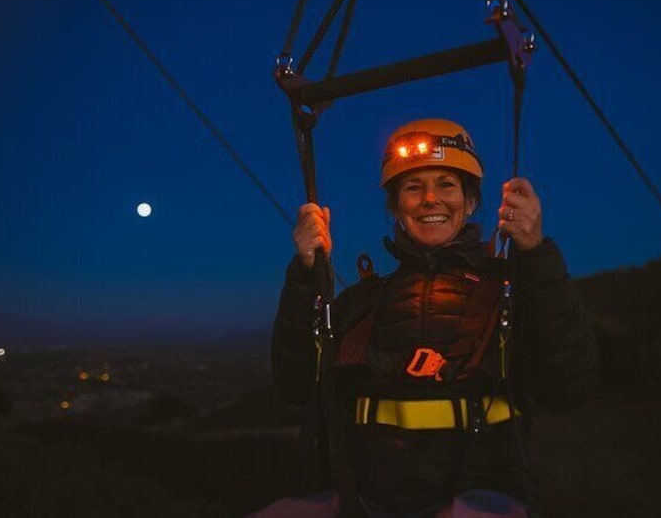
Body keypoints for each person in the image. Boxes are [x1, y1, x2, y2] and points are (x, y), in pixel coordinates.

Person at [254, 118, 598, 517]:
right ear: (396, 207)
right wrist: (305, 272)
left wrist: (535, 254)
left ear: (470, 202)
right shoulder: (363, 304)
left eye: (446, 185)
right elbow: (294, 385)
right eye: (413, 187)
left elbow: (568, 386)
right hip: (366, 499)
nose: (430, 199)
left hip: (482, 494)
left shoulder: (509, 292)